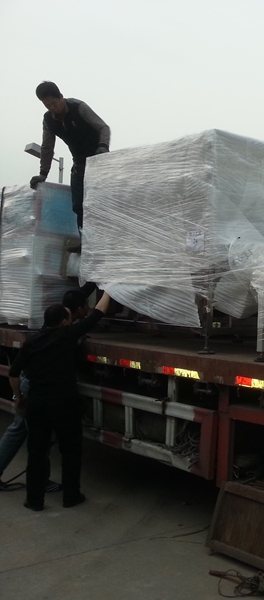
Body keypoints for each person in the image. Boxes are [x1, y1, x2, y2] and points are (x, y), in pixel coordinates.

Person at [8, 290, 111, 511]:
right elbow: (98, 312)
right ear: (64, 322)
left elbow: (14, 373)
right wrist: (109, 288)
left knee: (36, 453)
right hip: (64, 403)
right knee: (71, 451)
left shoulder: (31, 342)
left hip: (37, 403)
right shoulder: (67, 335)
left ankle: (34, 501)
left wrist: (18, 397)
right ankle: (71, 496)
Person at [29, 81, 110, 247]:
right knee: (78, 205)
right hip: (79, 163)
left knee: (99, 202)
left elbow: (103, 128)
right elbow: (47, 147)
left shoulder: (78, 107)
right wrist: (43, 173)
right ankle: (85, 243)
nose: (52, 108)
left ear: (61, 97)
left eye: (54, 103)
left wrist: (103, 147)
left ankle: (104, 242)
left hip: (98, 160)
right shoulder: (48, 120)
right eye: (47, 105)